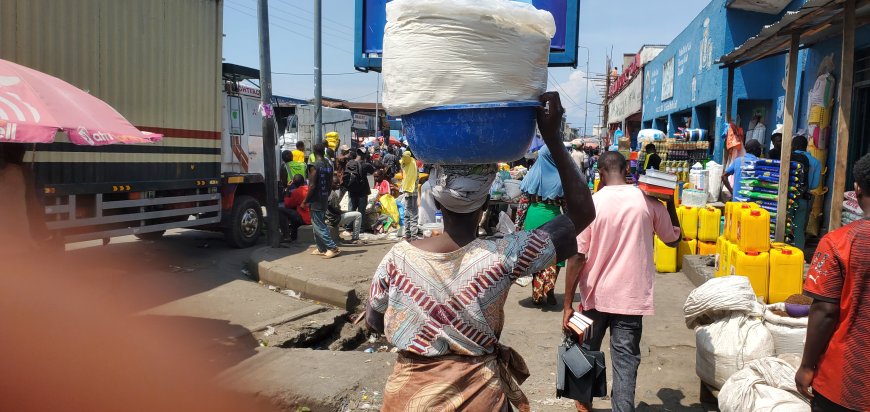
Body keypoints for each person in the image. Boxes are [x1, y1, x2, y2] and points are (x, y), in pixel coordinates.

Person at [366, 92, 595, 411]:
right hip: (481, 399)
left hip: (408, 400)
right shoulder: (505, 255)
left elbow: (374, 321)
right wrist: (553, 138)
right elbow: (583, 213)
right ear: (487, 203)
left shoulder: (397, 259)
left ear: (436, 197)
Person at [563, 151, 681, 412]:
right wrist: (670, 202)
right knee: (625, 362)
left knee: (585, 353)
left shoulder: (591, 204)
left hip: (594, 297)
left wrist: (568, 304)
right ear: (627, 169)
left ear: (601, 174)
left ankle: (583, 405)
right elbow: (673, 239)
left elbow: (578, 257)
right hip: (631, 298)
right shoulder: (648, 202)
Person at [795, 153, 870, 412]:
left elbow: (825, 311)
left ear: (857, 191)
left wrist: (807, 366)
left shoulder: (839, 243)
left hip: (846, 381)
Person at [516, 145, 571, 306]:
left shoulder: (532, 174)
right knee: (556, 256)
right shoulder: (562, 176)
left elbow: (523, 203)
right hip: (554, 217)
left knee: (534, 256)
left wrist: (518, 226)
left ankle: (537, 291)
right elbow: (566, 206)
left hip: (533, 217)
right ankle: (550, 289)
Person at [305, 142, 340, 258]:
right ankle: (321, 248)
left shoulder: (314, 166)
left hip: (316, 199)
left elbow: (312, 185)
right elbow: (330, 184)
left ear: (314, 153)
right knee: (317, 224)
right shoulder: (329, 166)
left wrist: (305, 200)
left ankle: (332, 248)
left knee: (319, 225)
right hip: (324, 197)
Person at [791, 135, 821, 249]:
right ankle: (799, 254)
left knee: (783, 225)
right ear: (806, 146)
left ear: (794, 146)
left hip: (787, 197)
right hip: (802, 198)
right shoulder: (816, 162)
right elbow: (814, 185)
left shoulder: (789, 157)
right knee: (799, 229)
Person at [344, 149, 376, 231]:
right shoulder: (366, 165)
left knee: (351, 210)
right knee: (361, 211)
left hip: (352, 191)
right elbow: (374, 173)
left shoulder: (349, 163)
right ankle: (360, 229)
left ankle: (349, 227)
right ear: (364, 155)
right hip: (362, 191)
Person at [326, 176, 363, 244]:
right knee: (358, 215)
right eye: (335, 183)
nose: (338, 185)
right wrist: (344, 212)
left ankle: (338, 237)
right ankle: (355, 238)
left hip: (328, 218)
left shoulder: (326, 192)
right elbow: (336, 210)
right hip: (334, 219)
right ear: (330, 183)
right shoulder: (332, 194)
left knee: (350, 213)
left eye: (339, 183)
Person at [280, 174, 310, 242]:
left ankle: (286, 236)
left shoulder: (297, 192)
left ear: (294, 183)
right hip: (312, 217)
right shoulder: (309, 189)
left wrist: (288, 188)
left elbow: (287, 204)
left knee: (281, 210)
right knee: (295, 210)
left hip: (305, 219)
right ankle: (294, 234)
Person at [399, 150, 420, 240]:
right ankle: (414, 236)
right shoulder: (413, 162)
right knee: (414, 213)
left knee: (407, 212)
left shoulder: (403, 163)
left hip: (406, 190)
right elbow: (417, 178)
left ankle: (407, 234)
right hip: (413, 191)